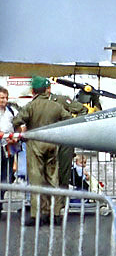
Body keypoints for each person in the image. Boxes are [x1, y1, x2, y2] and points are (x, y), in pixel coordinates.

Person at [13, 77, 74, 225]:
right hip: (52, 144)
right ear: (47, 90)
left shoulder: (31, 106)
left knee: (36, 179)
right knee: (53, 179)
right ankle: (55, 213)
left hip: (35, 144)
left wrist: (21, 131)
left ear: (33, 91)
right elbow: (68, 119)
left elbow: (17, 121)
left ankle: (37, 215)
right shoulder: (56, 106)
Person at [0, 86, 17, 206]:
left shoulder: (12, 111)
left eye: (6, 98)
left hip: (8, 147)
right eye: (1, 98)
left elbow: (21, 124)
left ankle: (1, 196)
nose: (4, 100)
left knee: (8, 175)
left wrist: (15, 136)